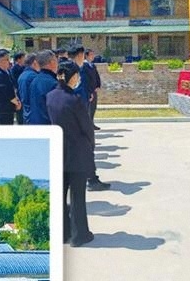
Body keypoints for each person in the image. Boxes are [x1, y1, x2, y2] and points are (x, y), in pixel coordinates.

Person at [46, 60, 95, 247]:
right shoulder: (74, 99)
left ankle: (63, 233)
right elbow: (86, 127)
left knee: (60, 195)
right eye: (77, 76)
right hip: (76, 152)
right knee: (77, 196)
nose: (78, 79)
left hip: (59, 151)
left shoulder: (50, 96)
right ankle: (79, 234)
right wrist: (90, 144)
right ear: (71, 77)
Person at [68, 45, 110, 191]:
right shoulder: (74, 70)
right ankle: (90, 180)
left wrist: (89, 94)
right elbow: (75, 92)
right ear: (80, 55)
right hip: (79, 113)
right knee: (86, 147)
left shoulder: (75, 68)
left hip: (81, 110)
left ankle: (88, 178)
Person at [0, 49, 21, 125]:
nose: (9, 62)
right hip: (3, 111)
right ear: (1, 61)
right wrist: (17, 103)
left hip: (0, 109)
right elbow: (7, 92)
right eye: (7, 59)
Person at [26, 50, 58, 125]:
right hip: (48, 124)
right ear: (52, 62)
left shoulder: (34, 80)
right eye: (56, 61)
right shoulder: (53, 83)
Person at [17, 52, 40, 125]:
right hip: (35, 112)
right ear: (35, 62)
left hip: (26, 112)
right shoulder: (34, 76)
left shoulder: (22, 75)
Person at [84, 48, 102, 130]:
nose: (93, 56)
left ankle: (91, 123)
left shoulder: (92, 65)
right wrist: (89, 90)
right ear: (86, 55)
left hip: (94, 90)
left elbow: (96, 76)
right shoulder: (84, 66)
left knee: (93, 107)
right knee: (88, 108)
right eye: (91, 54)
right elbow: (86, 79)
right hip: (88, 90)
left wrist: (98, 85)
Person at [10, 51, 26, 125]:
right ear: (19, 59)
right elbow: (14, 81)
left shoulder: (24, 67)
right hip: (18, 90)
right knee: (20, 108)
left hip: (22, 90)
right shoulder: (15, 68)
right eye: (23, 57)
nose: (25, 59)